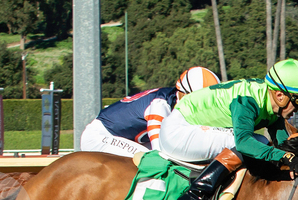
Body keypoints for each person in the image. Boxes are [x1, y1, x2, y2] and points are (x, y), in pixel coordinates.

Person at [163, 58, 298, 200]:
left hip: (191, 127)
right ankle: (195, 194)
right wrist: (285, 157)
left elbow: (284, 146)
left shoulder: (272, 104)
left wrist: (295, 157)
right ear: (280, 96)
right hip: (178, 132)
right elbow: (244, 143)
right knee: (256, 142)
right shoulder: (248, 101)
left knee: (261, 144)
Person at [79, 66, 220, 156]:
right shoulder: (160, 105)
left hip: (127, 138)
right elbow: (160, 149)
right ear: (183, 93)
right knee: (154, 161)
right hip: (100, 136)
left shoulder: (176, 100)